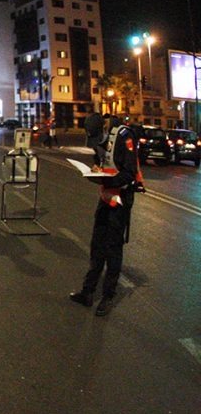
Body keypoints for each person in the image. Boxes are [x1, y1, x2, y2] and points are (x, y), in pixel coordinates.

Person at [69, 114, 138, 316]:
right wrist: (96, 170)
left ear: (105, 130)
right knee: (96, 244)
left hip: (121, 199)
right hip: (106, 197)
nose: (95, 144)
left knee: (113, 248)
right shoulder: (99, 141)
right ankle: (87, 292)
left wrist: (108, 181)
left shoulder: (125, 136)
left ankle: (108, 296)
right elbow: (102, 161)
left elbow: (130, 173)